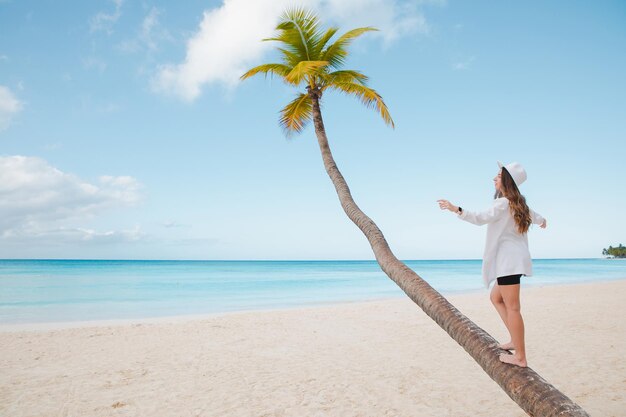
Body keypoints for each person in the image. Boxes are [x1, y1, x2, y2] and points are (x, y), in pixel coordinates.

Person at [437, 162, 547, 368]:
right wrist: (542, 221)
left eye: (497, 175)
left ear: (507, 181)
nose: (494, 179)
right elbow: (536, 216)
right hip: (515, 261)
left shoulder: (503, 204)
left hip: (508, 262)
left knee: (513, 308)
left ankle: (520, 356)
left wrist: (456, 209)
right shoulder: (518, 203)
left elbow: (480, 218)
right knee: (495, 297)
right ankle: (515, 340)